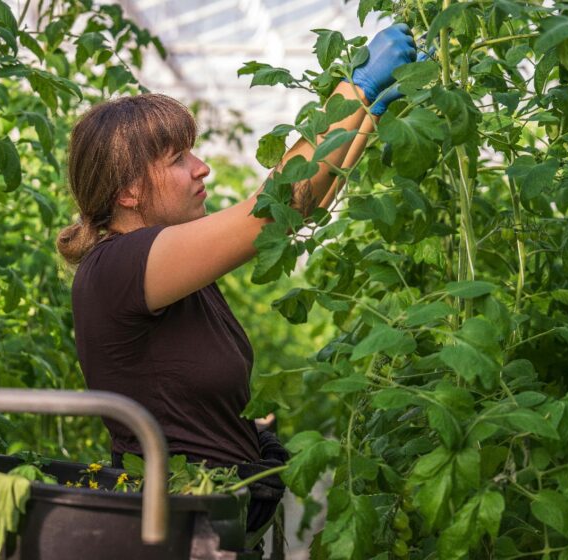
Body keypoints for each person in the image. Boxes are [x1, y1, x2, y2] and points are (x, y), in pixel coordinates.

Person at [56, 23, 418, 542]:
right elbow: (269, 214)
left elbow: (302, 208)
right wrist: (353, 89)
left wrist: (364, 119)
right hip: (173, 533)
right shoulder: (118, 268)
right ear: (130, 191)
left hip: (208, 521)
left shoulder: (163, 262)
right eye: (178, 159)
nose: (201, 168)